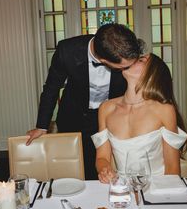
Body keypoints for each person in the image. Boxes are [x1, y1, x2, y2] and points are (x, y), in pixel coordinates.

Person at [26, 23, 144, 180]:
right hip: (74, 115)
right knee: (75, 166)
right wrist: (42, 125)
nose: (129, 69)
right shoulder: (67, 51)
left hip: (111, 114)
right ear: (103, 60)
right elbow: (51, 88)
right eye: (124, 67)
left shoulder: (124, 50)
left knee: (108, 163)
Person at [92, 53, 187, 183]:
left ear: (152, 74)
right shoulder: (106, 108)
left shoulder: (164, 110)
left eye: (140, 59)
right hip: (121, 187)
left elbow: (172, 168)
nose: (131, 60)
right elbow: (102, 157)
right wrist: (104, 169)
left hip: (156, 187)